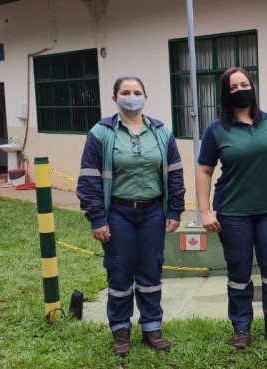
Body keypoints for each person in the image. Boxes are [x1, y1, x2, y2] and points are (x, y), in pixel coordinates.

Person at [76, 75, 185, 355]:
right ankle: (120, 329)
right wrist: (97, 218)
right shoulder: (100, 132)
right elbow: (88, 178)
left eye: (137, 91)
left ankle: (152, 327)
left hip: (153, 213)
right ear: (115, 98)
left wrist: (175, 208)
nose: (131, 96)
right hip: (118, 213)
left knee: (151, 270)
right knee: (120, 272)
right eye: (125, 92)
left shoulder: (161, 131)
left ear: (145, 96)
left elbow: (174, 173)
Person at [196, 67, 267, 348]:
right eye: (233, 87)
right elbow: (205, 170)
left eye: (244, 83)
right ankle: (241, 328)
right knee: (239, 272)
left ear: (253, 86)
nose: (241, 89)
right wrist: (205, 210)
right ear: (225, 93)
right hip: (232, 213)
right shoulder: (216, 129)